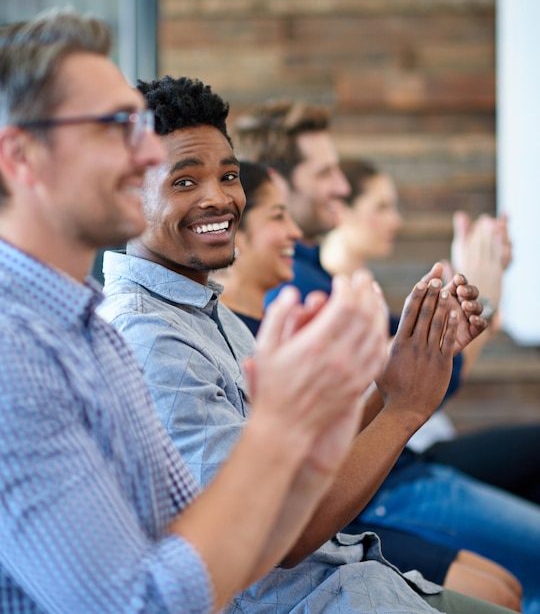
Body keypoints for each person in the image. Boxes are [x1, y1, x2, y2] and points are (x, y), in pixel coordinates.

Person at [0, 9, 407, 613]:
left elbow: (214, 534)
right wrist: (286, 433)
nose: (145, 156)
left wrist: (320, 415)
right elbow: (143, 604)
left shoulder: (90, 332)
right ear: (22, 158)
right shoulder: (18, 358)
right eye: (116, 127)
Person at [98, 73, 525, 614]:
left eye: (228, 176)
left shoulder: (206, 313)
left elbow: (302, 463)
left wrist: (396, 380)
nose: (220, 198)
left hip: (351, 576)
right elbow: (270, 534)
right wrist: (404, 407)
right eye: (184, 182)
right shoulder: (149, 338)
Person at [233, 99, 540, 613]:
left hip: (391, 469)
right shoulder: (298, 290)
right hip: (379, 490)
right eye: (326, 173)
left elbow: (417, 371)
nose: (339, 186)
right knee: (499, 589)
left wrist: (466, 313)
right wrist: (481, 297)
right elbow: (416, 381)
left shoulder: (310, 279)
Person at [320, 158, 540, 504]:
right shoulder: (320, 294)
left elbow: (444, 350)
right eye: (381, 207)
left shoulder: (359, 286)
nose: (397, 220)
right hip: (395, 475)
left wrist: (480, 286)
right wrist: (485, 297)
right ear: (340, 210)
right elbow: (418, 376)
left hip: (410, 453)